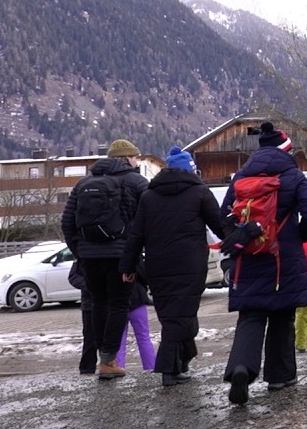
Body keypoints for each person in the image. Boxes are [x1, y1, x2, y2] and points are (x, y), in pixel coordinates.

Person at [220, 123, 307, 405]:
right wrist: (302, 235)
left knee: (251, 316)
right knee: (281, 316)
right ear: (286, 150)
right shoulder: (293, 176)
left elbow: (222, 218)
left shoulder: (241, 177)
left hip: (248, 259)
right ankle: (280, 376)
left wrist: (240, 239)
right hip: (283, 258)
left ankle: (241, 367)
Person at [120, 146, 227, 387]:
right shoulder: (200, 193)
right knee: (182, 315)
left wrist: (128, 267)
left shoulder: (149, 196)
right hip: (191, 264)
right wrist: (241, 241)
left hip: (158, 265)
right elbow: (220, 227)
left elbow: (136, 235)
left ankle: (183, 360)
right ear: (190, 170)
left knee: (173, 315)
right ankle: (169, 368)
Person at [60, 138, 149, 380]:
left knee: (98, 303)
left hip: (89, 258)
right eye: (135, 157)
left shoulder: (83, 183)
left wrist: (80, 252)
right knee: (119, 304)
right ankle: (109, 360)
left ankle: (104, 359)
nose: (137, 161)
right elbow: (148, 218)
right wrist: (136, 254)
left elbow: (67, 223)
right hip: (121, 256)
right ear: (128, 159)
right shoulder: (136, 182)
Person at [116, 272, 155, 373]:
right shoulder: (134, 258)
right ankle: (151, 368)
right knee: (143, 337)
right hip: (136, 297)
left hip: (116, 301)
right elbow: (145, 275)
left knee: (119, 340)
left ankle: (118, 368)